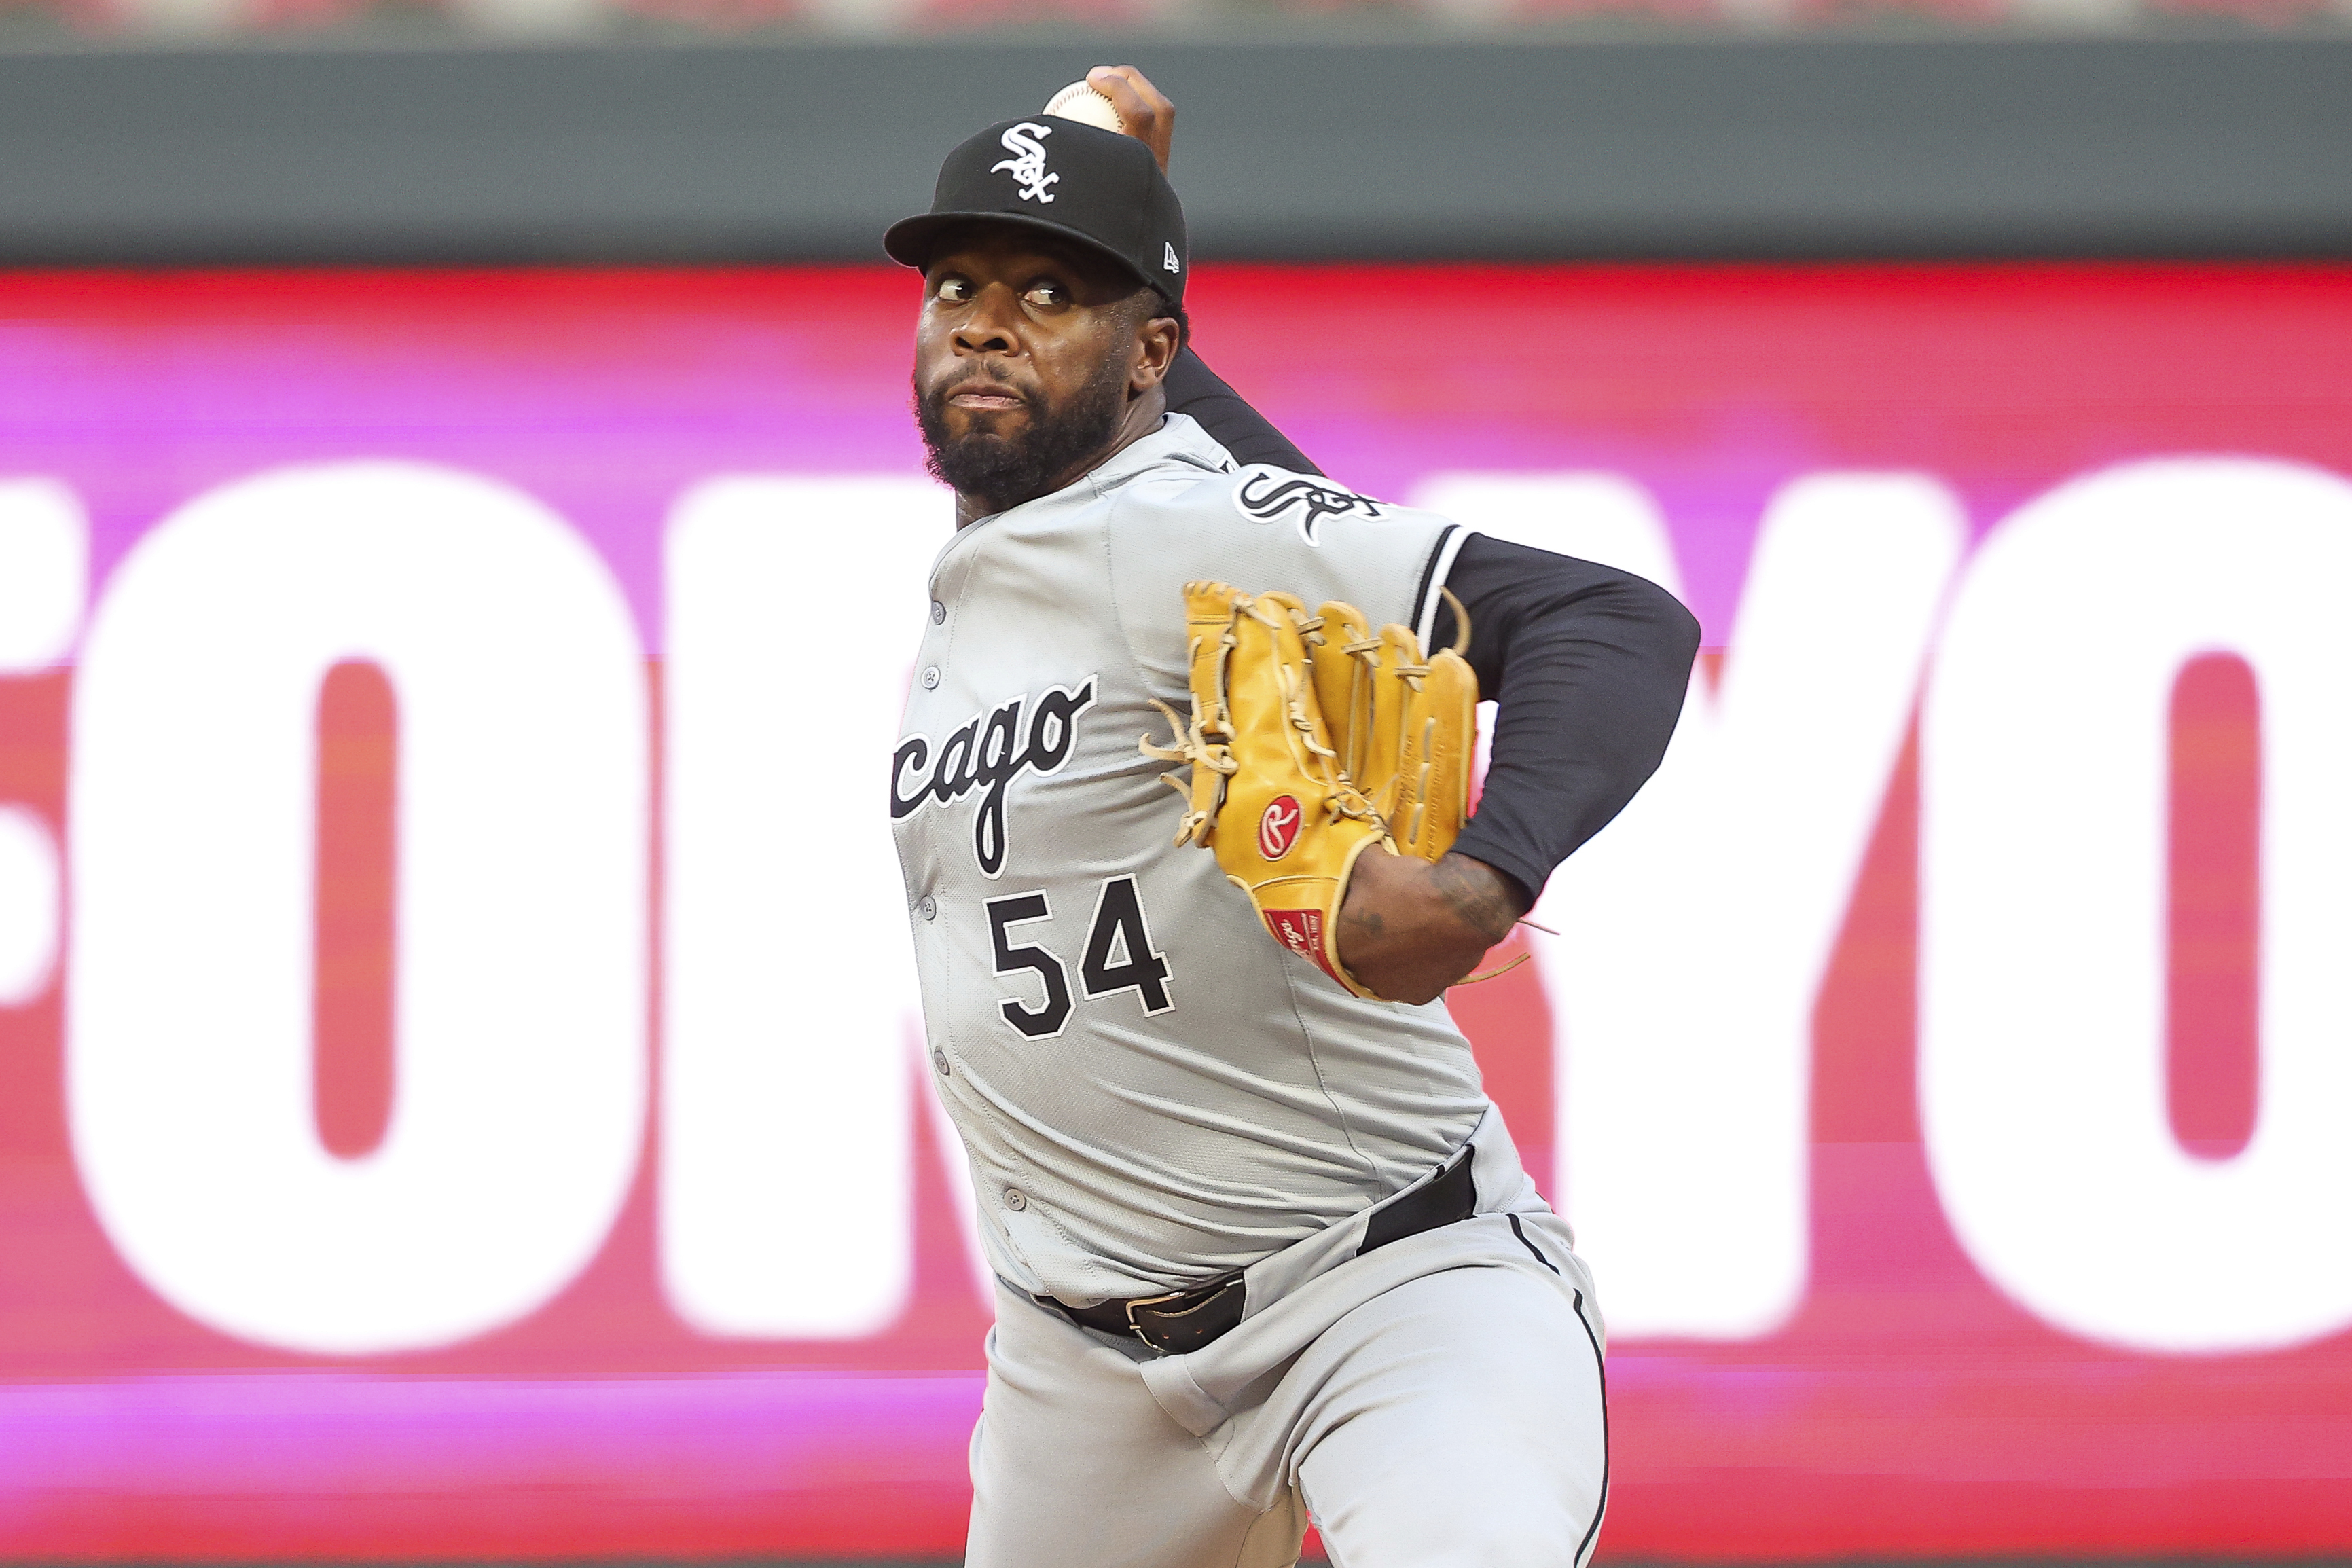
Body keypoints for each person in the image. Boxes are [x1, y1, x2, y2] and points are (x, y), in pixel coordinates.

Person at [884, 67, 1700, 1568]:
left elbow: (1614, 622)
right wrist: (1096, 198)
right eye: (956, 285)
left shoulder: (1177, 527)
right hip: (1085, 1377)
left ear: (1152, 357)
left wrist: (1478, 880)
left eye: (1048, 293)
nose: (983, 321)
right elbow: (1184, 465)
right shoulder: (1031, 540)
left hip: (1385, 1299)